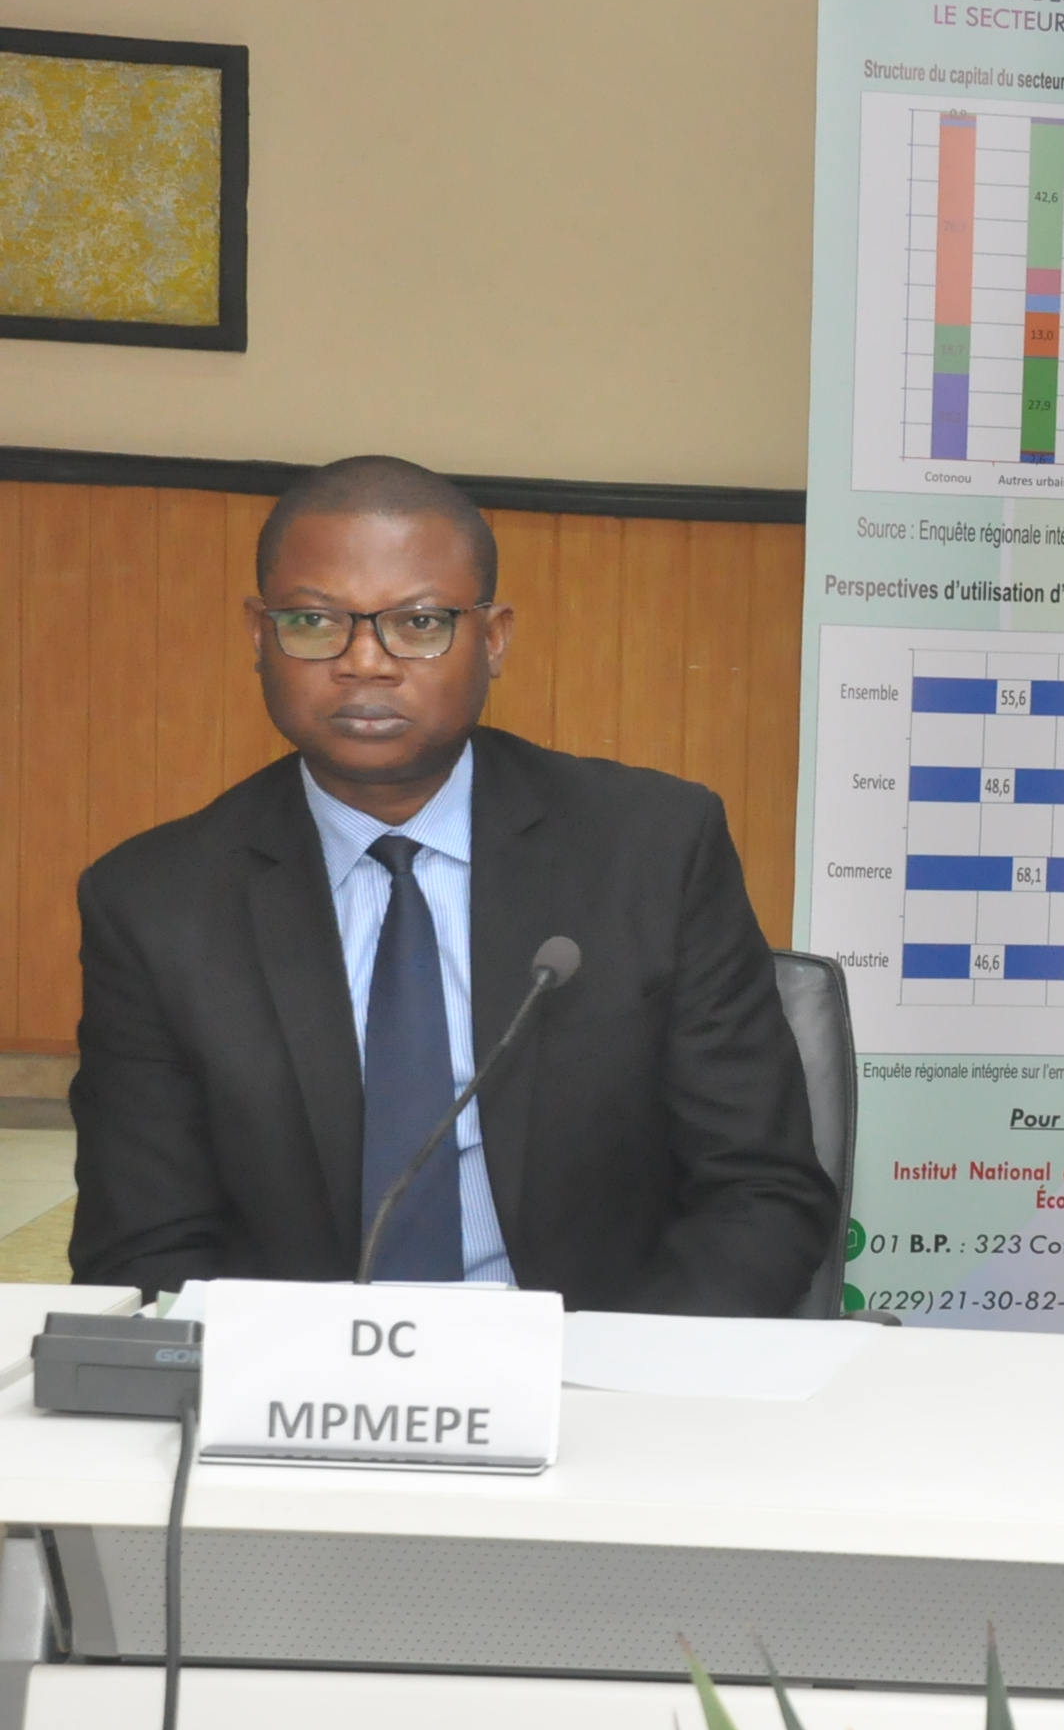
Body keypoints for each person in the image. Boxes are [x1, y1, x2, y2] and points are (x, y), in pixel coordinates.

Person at [70, 458, 835, 1312]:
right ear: (258, 634)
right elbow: (143, 1245)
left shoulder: (651, 848)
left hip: (600, 1361)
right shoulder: (155, 903)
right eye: (314, 622)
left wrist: (613, 1374)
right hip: (298, 1374)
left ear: (494, 638)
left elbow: (759, 1191)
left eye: (420, 622)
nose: (365, 663)